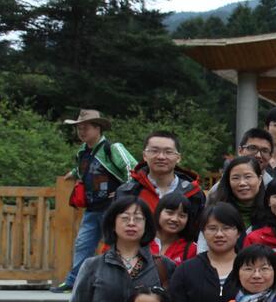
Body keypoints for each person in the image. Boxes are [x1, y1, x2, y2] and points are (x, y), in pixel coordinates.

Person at [55, 109, 137, 292]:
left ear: (98, 128)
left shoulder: (112, 148)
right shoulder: (83, 152)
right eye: (79, 129)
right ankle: (75, 282)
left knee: (114, 244)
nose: (82, 132)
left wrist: (123, 194)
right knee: (83, 243)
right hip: (93, 207)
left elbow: (133, 170)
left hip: (114, 207)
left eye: (86, 128)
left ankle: (114, 281)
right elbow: (82, 169)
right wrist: (72, 174)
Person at [117, 130, 205, 224]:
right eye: (154, 151)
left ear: (178, 158)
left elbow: (198, 232)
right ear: (144, 156)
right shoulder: (127, 192)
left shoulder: (194, 194)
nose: (161, 157)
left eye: (168, 152)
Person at [204, 156, 265, 237]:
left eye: (248, 177)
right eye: (235, 178)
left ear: (259, 179)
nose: (242, 183)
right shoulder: (214, 211)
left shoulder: (271, 211)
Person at [151, 193, 199, 263]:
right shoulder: (142, 241)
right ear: (158, 212)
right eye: (170, 213)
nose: (175, 219)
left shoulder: (192, 249)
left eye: (182, 216)